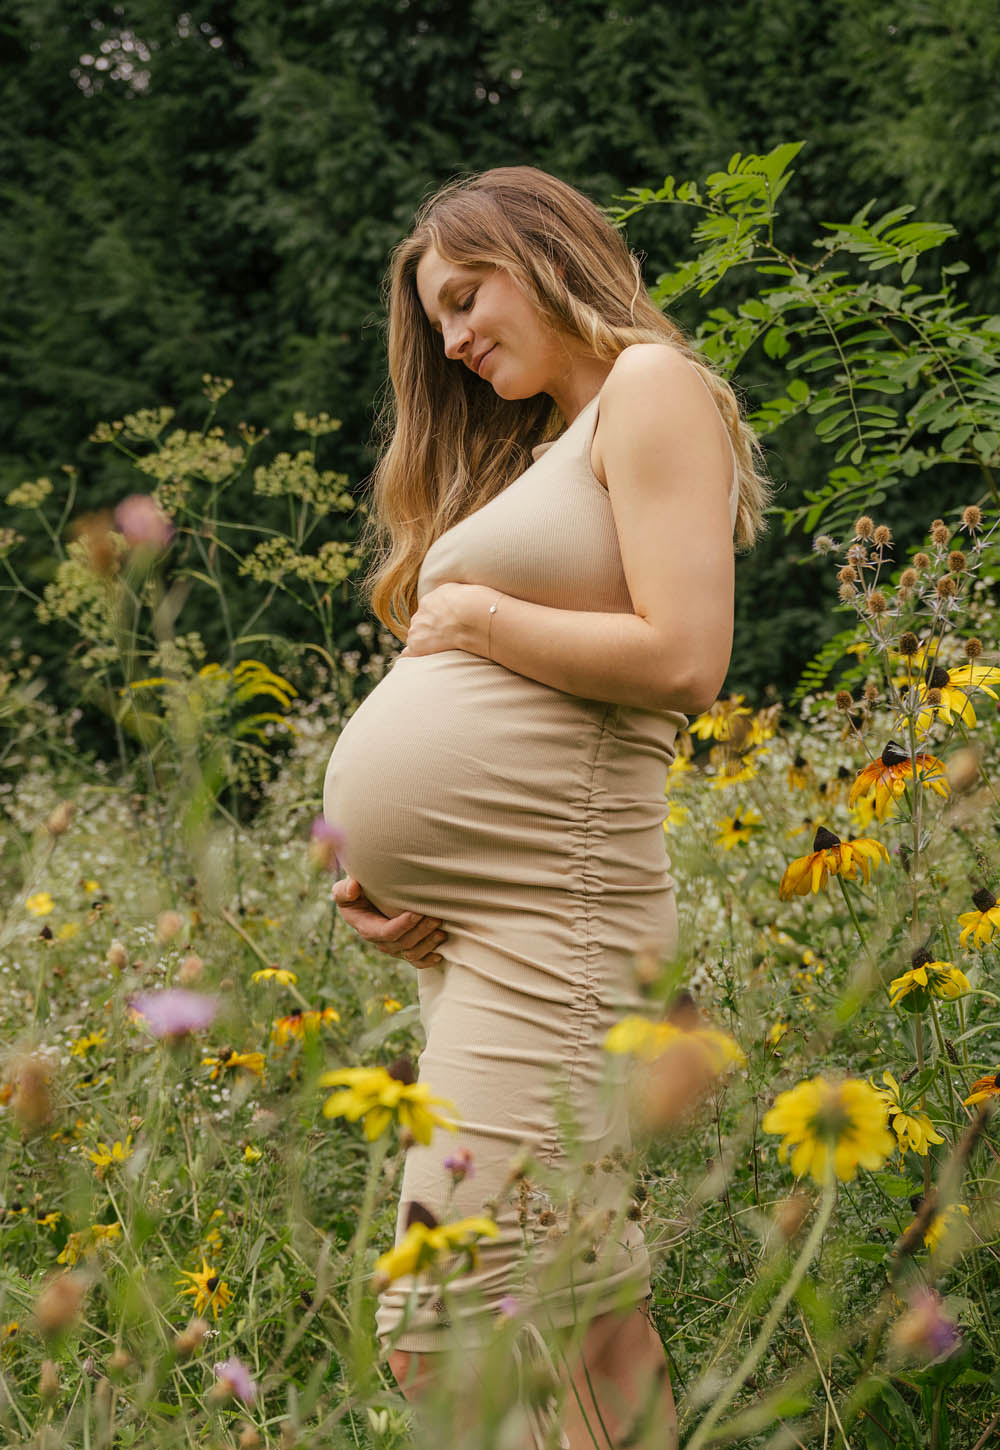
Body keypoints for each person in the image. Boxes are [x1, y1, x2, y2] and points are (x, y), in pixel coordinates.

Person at [323, 165, 769, 1448]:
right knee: (578, 1321)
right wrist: (390, 887)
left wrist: (473, 618)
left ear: (546, 254)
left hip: (558, 926)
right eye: (439, 320)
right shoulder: (544, 449)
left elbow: (683, 659)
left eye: (468, 296)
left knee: (459, 1329)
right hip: (495, 938)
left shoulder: (649, 386)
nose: (455, 339)